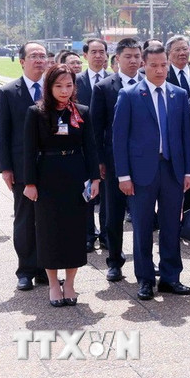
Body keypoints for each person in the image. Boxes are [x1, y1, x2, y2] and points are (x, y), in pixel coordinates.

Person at [113, 43, 190, 301]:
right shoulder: (129, 95)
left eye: (163, 65)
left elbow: (185, 136)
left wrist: (188, 172)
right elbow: (119, 138)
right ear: (143, 66)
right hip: (140, 172)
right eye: (154, 65)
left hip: (172, 169)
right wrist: (123, 176)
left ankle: (171, 277)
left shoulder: (179, 94)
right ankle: (145, 279)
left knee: (171, 225)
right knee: (143, 226)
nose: (159, 70)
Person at [22, 64, 99, 307]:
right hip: (47, 177)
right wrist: (30, 182)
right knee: (49, 231)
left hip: (76, 176)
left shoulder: (82, 112)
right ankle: (54, 283)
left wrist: (95, 178)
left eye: (69, 85)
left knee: (74, 232)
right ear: (49, 87)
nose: (64, 91)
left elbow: (91, 148)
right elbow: (28, 151)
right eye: (58, 86)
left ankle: (71, 283)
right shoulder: (37, 112)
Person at [0, 42, 49, 291]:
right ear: (22, 61)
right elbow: (1, 134)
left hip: (52, 166)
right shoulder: (8, 92)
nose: (39, 60)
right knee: (25, 219)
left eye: (43, 56)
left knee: (49, 219)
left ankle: (45, 269)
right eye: (34, 56)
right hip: (21, 168)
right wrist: (5, 168)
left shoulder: (55, 89)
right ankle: (26, 270)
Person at [91, 38, 142, 283]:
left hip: (145, 160)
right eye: (128, 56)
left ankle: (144, 260)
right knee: (114, 213)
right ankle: (114, 261)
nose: (133, 61)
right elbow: (96, 128)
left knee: (144, 213)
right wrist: (99, 160)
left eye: (136, 56)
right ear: (118, 59)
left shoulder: (149, 82)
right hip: (114, 161)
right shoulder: (104, 87)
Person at [76, 38, 110, 253]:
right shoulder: (75, 81)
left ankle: (107, 234)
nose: (98, 55)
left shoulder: (113, 81)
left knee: (107, 194)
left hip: (107, 145)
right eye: (94, 52)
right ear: (85, 55)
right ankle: (88, 233)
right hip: (82, 145)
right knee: (87, 192)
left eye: (102, 52)